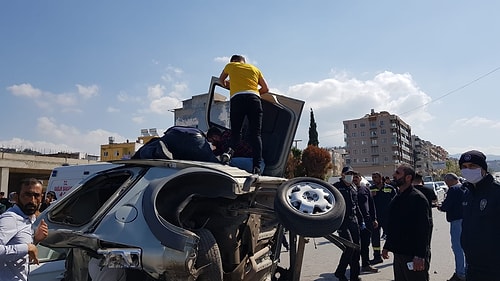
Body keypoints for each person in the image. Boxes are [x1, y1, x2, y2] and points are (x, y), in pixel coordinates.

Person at [219, 54, 269, 175]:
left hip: (238, 99)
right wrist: (255, 92)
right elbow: (266, 88)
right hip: (254, 99)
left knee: (236, 132)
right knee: (256, 134)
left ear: (234, 61)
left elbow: (221, 81)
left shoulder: (230, 65)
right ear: (244, 62)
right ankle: (256, 167)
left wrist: (229, 85)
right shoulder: (255, 69)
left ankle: (229, 153)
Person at [382, 164, 431, 281]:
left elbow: (424, 229)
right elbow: (393, 225)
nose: (394, 175)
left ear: (408, 177)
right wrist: (387, 246)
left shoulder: (417, 198)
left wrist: (420, 255)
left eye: (398, 173)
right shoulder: (397, 197)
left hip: (413, 254)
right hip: (399, 253)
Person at [459, 150, 500, 281]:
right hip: (472, 265)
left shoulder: (496, 192)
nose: (468, 170)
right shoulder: (467, 194)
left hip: (494, 266)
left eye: (472, 166)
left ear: (483, 169)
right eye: (464, 167)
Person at [0, 178, 48, 281]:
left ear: (42, 197)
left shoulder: (31, 218)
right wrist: (27, 248)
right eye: (27, 195)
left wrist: (35, 240)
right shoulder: (10, 218)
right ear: (17, 197)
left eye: (36, 195)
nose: (32, 200)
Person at [333, 166, 363, 281]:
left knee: (357, 249)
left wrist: (361, 221)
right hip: (342, 222)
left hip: (353, 221)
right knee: (349, 247)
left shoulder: (353, 187)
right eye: (348, 173)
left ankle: (354, 277)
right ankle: (340, 272)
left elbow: (356, 205)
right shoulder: (336, 187)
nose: (351, 175)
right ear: (342, 175)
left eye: (352, 173)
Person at [438, 173, 466, 281]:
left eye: (446, 182)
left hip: (456, 221)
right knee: (466, 247)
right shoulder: (464, 187)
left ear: (450, 180)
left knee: (457, 247)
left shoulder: (453, 189)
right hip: (466, 220)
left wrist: (441, 207)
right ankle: (466, 270)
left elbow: (446, 206)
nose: (446, 184)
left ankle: (460, 273)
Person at [369, 172, 396, 265]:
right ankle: (377, 256)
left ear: (381, 178)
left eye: (375, 177)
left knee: (391, 236)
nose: (373, 179)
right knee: (375, 238)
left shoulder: (389, 188)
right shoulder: (371, 189)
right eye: (373, 177)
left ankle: (396, 255)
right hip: (376, 217)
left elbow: (396, 201)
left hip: (388, 217)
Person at [354, 173, 379, 273]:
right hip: (354, 221)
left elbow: (371, 205)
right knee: (355, 246)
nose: (355, 179)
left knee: (365, 244)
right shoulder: (349, 189)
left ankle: (366, 264)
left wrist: (374, 219)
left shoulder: (365, 189)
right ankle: (354, 267)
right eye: (353, 177)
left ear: (360, 178)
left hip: (366, 221)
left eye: (357, 177)